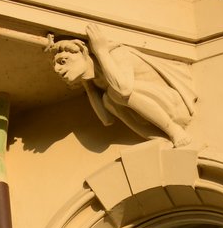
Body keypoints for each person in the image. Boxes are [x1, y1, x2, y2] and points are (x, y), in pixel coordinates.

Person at [48, 24, 197, 147]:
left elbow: (124, 90)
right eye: (55, 66)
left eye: (63, 61)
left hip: (176, 107)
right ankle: (160, 137)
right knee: (108, 99)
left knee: (113, 94)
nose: (57, 69)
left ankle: (174, 131)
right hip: (153, 115)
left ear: (83, 51)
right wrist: (86, 83)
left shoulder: (117, 53)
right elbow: (107, 119)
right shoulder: (96, 80)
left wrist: (100, 50)